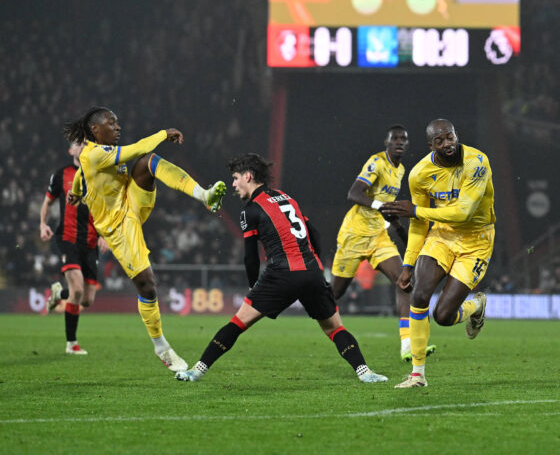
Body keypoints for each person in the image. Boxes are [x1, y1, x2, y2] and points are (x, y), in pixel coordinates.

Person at [175, 153, 387, 384]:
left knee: (237, 324)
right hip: (312, 272)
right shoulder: (288, 198)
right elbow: (314, 233)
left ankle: (196, 371)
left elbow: (250, 256)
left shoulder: (251, 210)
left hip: (282, 274)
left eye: (235, 178)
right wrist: (315, 264)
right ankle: (365, 372)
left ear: (248, 176)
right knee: (335, 329)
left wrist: (253, 285)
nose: (234, 184)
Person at [64, 107, 226, 372]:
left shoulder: (93, 155)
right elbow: (133, 149)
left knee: (148, 162)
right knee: (148, 286)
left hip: (131, 201)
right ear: (95, 130)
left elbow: (81, 176)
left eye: (117, 122)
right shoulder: (94, 154)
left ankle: (204, 195)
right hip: (117, 227)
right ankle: (161, 347)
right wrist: (163, 133)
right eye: (111, 123)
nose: (118, 127)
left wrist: (75, 192)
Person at [381, 119, 494, 388]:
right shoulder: (420, 174)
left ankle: (476, 305)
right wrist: (408, 264)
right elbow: (419, 224)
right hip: (441, 236)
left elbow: (464, 213)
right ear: (431, 145)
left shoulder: (477, 162)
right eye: (439, 141)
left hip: (476, 240)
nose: (447, 144)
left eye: (450, 137)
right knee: (419, 295)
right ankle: (417, 375)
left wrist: (415, 210)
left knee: (443, 316)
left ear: (456, 135)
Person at [331, 125, 435, 361]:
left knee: (404, 282)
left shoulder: (401, 170)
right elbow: (354, 193)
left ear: (407, 144)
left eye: (403, 139)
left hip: (378, 235)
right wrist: (381, 206)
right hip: (354, 235)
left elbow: (387, 206)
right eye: (395, 138)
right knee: (334, 293)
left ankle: (407, 344)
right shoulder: (376, 162)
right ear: (386, 142)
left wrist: (398, 228)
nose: (399, 142)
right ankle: (303, 292)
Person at [40, 141, 108, 354]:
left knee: (87, 300)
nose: (83, 146)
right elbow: (48, 201)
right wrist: (42, 224)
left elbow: (104, 209)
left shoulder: (97, 176)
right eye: (79, 144)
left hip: (90, 243)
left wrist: (104, 235)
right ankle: (71, 344)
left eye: (86, 143)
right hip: (68, 239)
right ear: (71, 150)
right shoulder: (61, 174)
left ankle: (59, 293)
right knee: (77, 290)